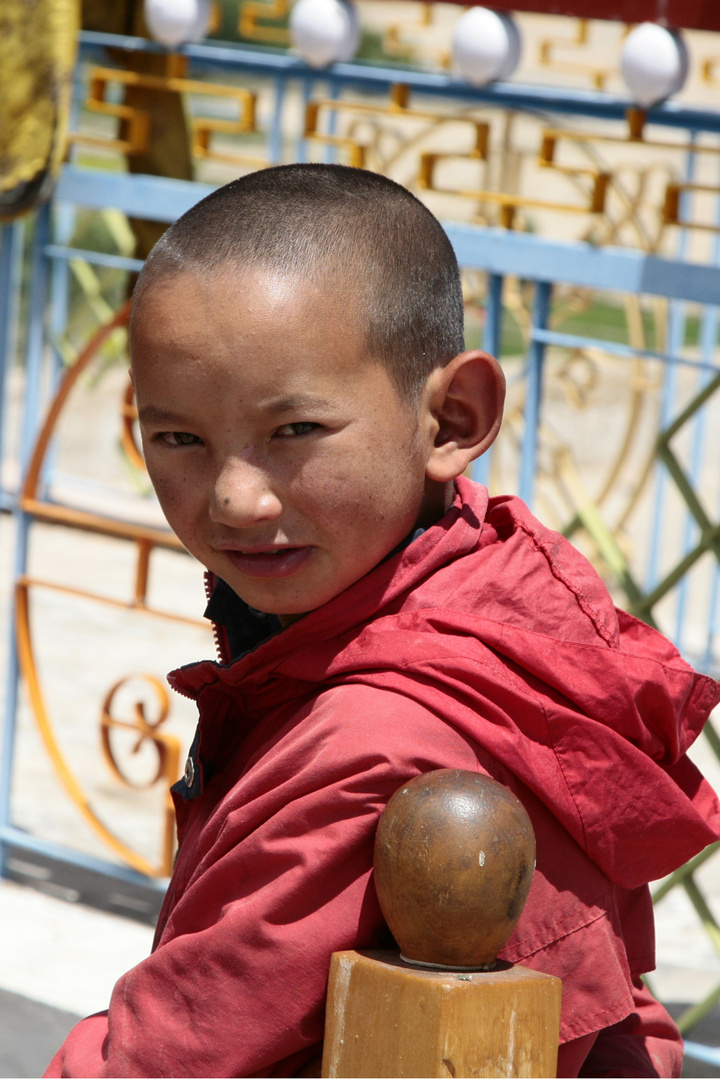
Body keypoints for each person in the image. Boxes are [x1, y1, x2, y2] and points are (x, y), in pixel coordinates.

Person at [45, 164, 720, 1079]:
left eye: (294, 433)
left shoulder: (379, 745)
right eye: (178, 440)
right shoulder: (491, 604)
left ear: (453, 417)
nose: (236, 499)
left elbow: (166, 1056)